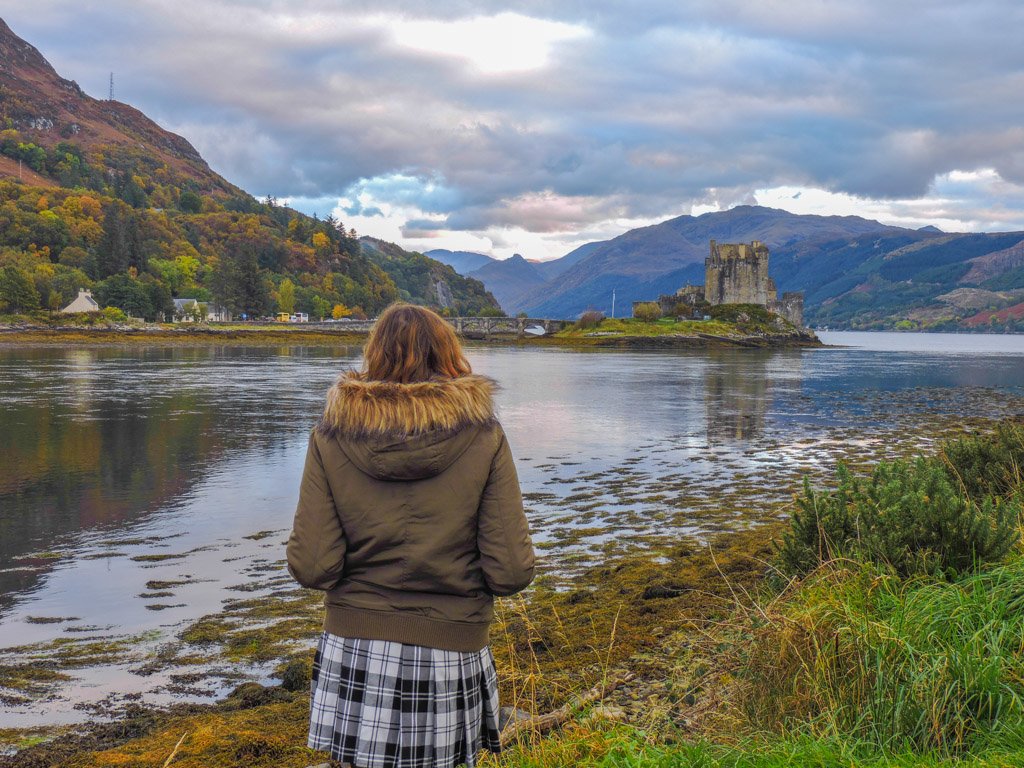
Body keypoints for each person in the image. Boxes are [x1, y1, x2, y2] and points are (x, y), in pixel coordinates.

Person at [286, 302, 535, 768]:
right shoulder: (484, 435)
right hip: (452, 645)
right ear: (448, 355)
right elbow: (512, 570)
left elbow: (312, 565)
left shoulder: (330, 435)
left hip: (355, 643)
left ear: (373, 355)